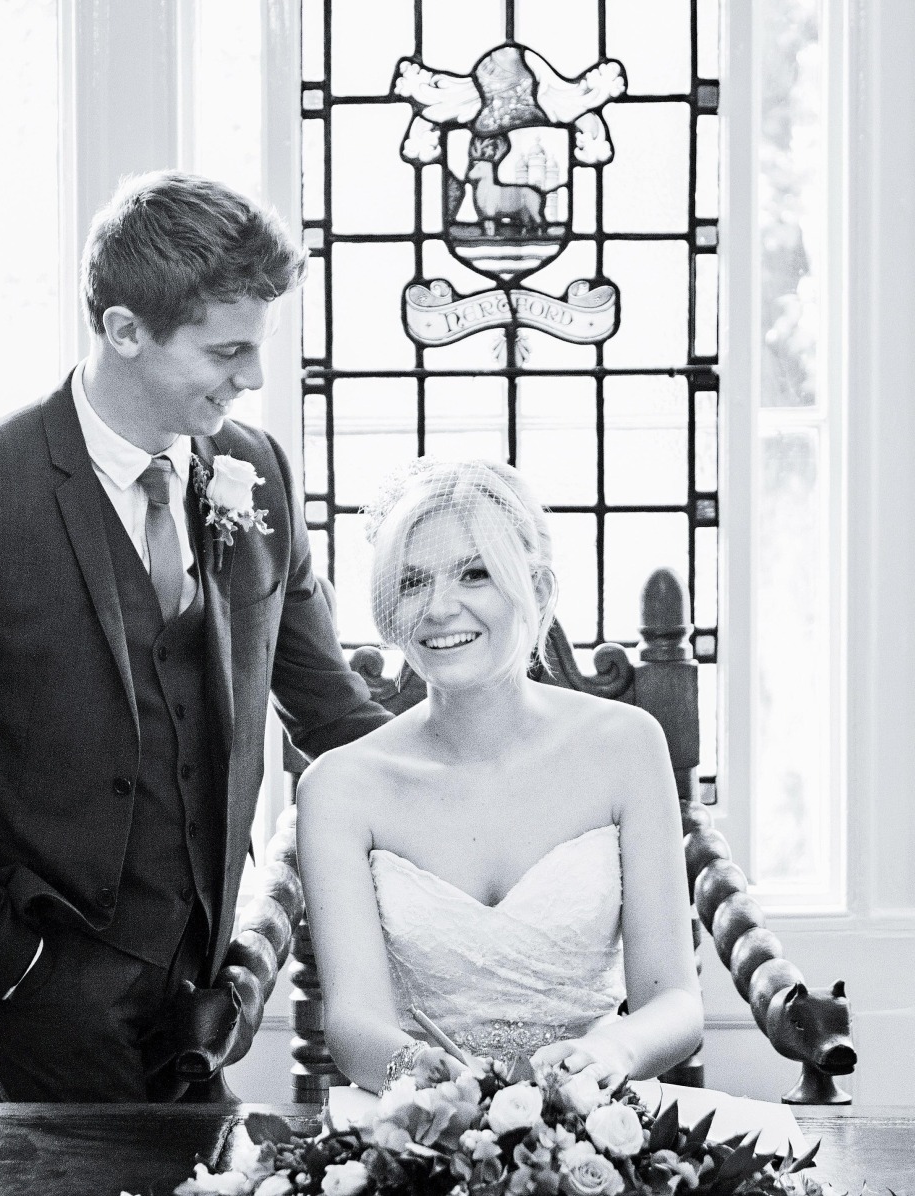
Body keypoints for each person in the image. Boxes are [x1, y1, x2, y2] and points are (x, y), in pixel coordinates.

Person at [0, 171, 390, 1103]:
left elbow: (333, 714)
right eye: (225, 352)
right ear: (125, 330)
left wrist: (507, 776)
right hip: (48, 983)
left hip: (209, 984)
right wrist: (6, 963)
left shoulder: (257, 470)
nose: (252, 379)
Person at [296, 460, 703, 1092]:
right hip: (414, 1136)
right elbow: (352, 1025)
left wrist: (615, 1052)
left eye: (474, 573)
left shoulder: (627, 746)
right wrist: (414, 1072)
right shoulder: (338, 788)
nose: (438, 608)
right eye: (411, 582)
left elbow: (675, 1003)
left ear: (536, 591)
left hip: (600, 1128)